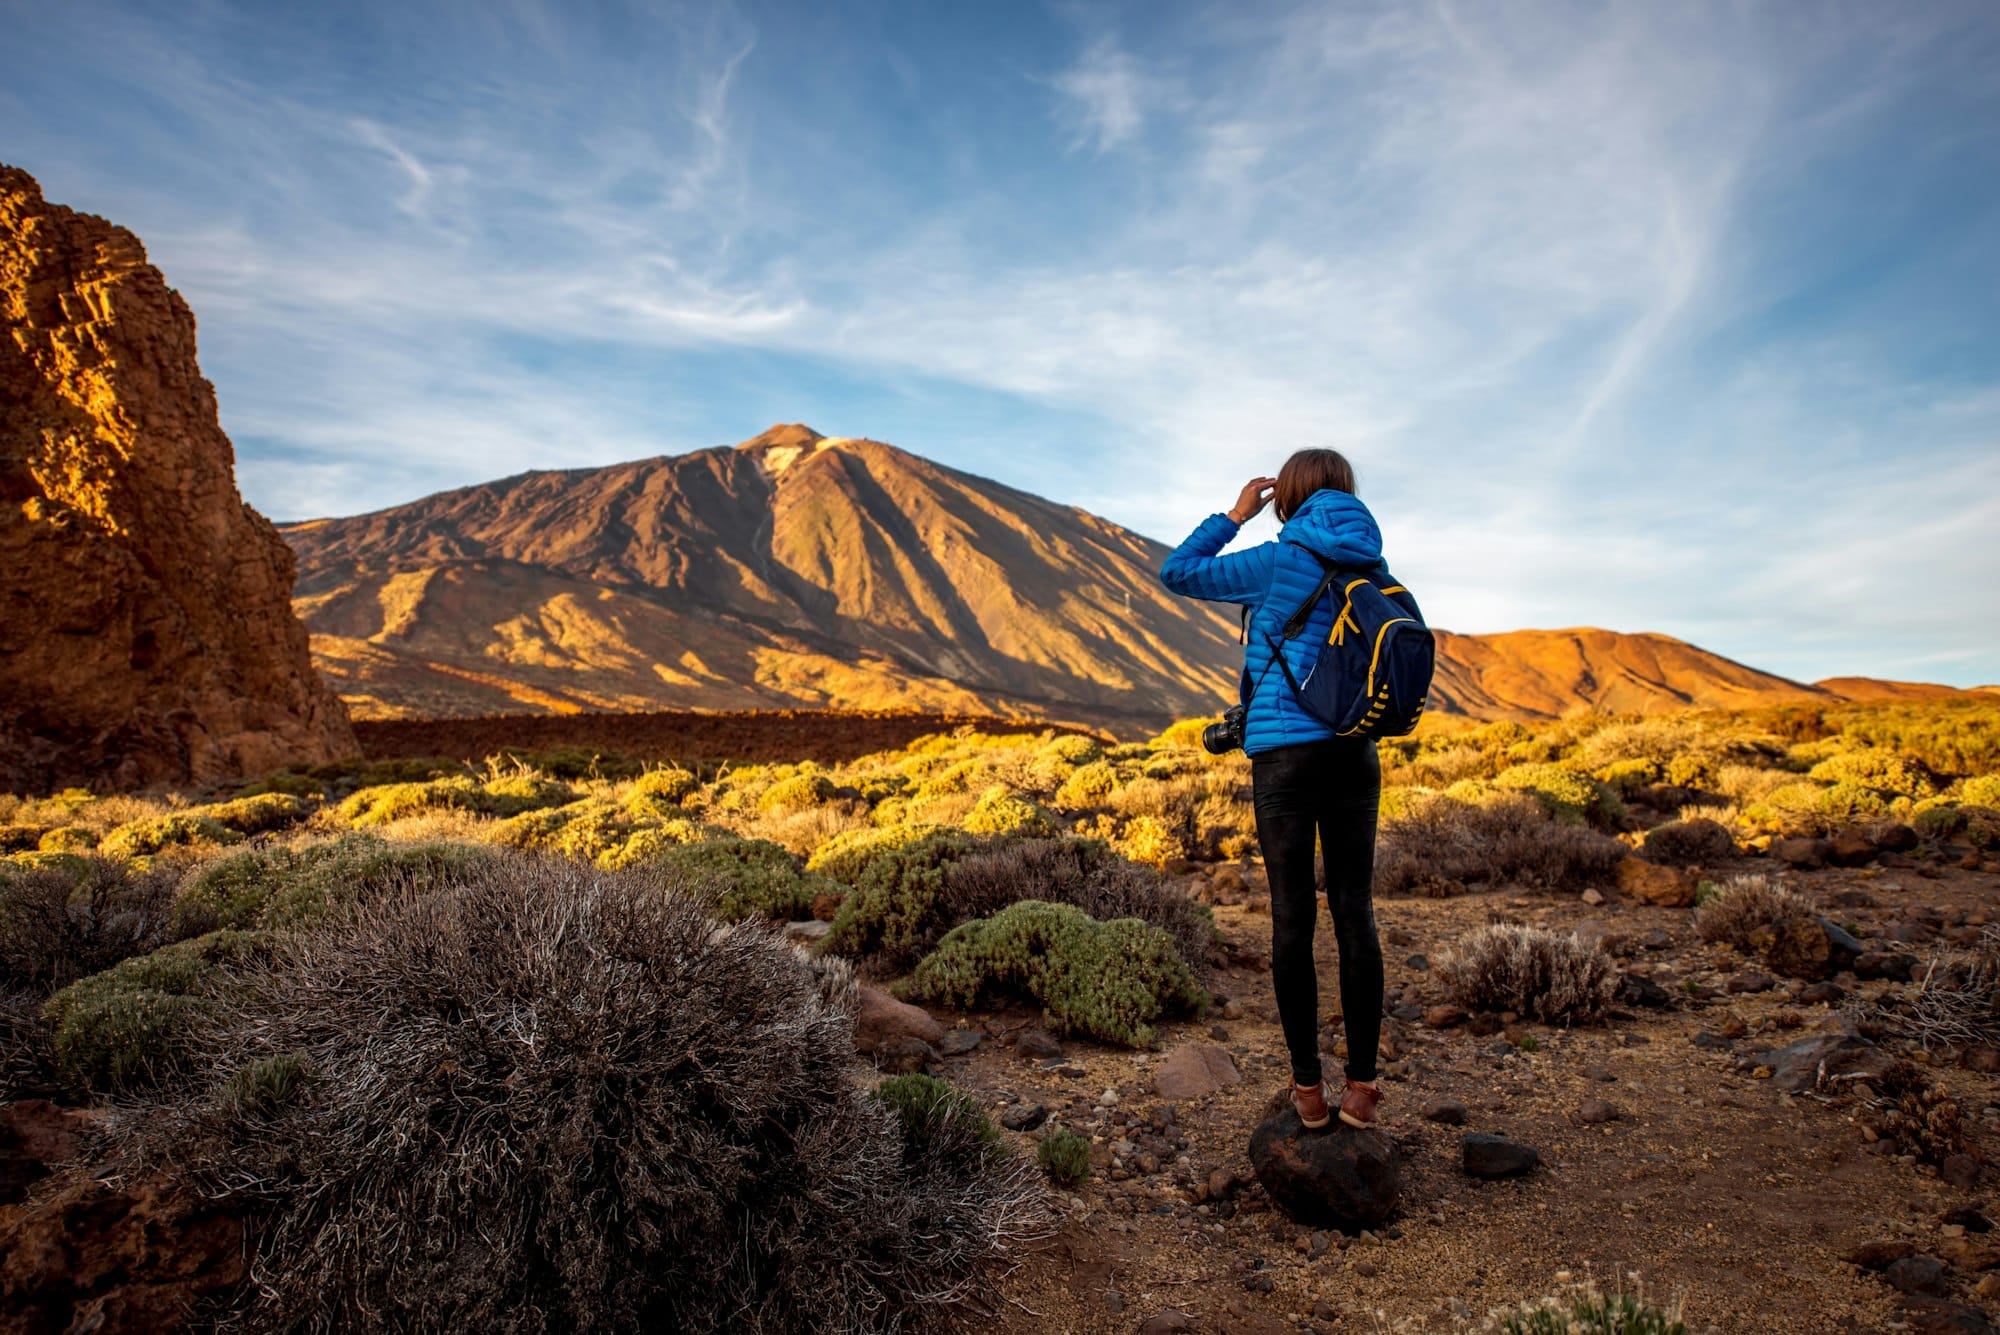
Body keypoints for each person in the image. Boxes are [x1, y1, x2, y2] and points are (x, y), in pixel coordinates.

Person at [1156, 448, 1395, 1131]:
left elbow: (1180, 572)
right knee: (1356, 914)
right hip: (1355, 757)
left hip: (1285, 759)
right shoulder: (1373, 565)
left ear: (1287, 495)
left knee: (1293, 917)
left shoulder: (1277, 559)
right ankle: (1364, 1090)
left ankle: (1308, 1094)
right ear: (1346, 492)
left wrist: (1234, 515)